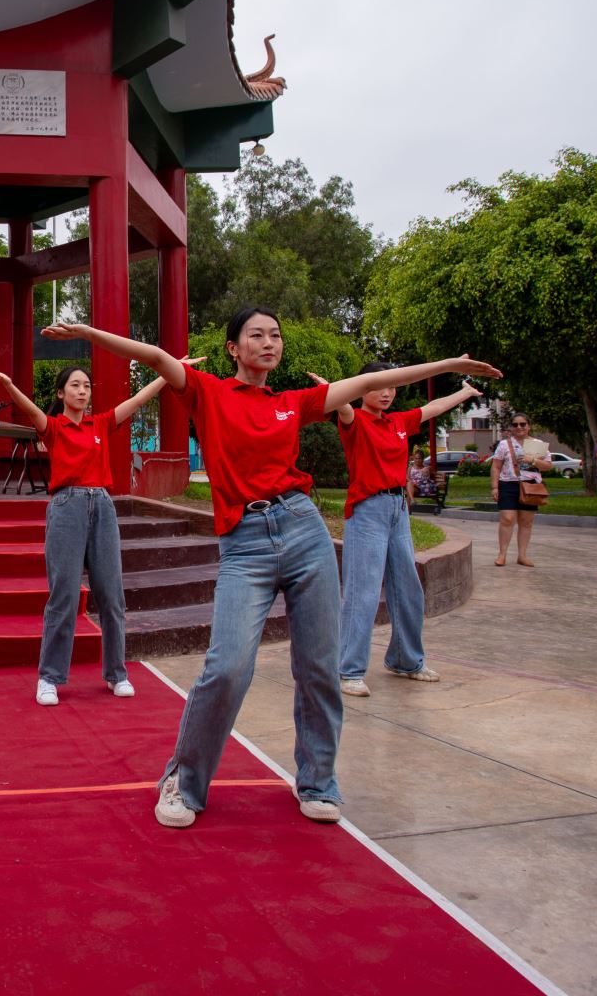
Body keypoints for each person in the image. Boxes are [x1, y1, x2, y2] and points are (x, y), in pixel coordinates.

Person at [44, 310, 501, 826]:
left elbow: (373, 381)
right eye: (256, 335)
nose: (269, 342)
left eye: (276, 335)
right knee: (228, 667)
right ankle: (183, 780)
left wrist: (450, 365)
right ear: (233, 349)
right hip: (245, 542)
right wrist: (85, 333)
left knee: (318, 666)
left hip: (305, 530)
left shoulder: (291, 404)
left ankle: (319, 782)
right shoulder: (207, 391)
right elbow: (153, 357)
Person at [0, 358, 196, 707]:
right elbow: (29, 408)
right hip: (67, 508)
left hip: (103, 508)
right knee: (64, 595)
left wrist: (170, 372)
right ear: (61, 393)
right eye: (75, 386)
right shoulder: (53, 427)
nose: (82, 391)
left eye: (86, 387)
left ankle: (117, 674)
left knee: (112, 596)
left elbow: (139, 400)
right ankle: (49, 678)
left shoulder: (101, 423)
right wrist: (8, 384)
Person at [313, 365, 481, 697]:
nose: (388, 392)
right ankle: (349, 670)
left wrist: (465, 393)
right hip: (367, 512)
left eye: (392, 386)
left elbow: (433, 409)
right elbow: (342, 405)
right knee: (363, 592)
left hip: (398, 510)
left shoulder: (398, 422)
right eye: (380, 386)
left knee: (409, 588)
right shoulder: (355, 420)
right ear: (364, 389)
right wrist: (331, 388)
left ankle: (406, 660)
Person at [488, 412, 552, 567]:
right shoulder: (504, 444)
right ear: (511, 427)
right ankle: (502, 554)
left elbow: (548, 466)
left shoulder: (538, 444)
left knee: (526, 521)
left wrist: (534, 460)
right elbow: (496, 466)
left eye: (523, 424)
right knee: (507, 519)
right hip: (508, 483)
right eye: (515, 424)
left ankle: (522, 555)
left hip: (530, 485)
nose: (519, 427)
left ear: (528, 426)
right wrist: (495, 487)